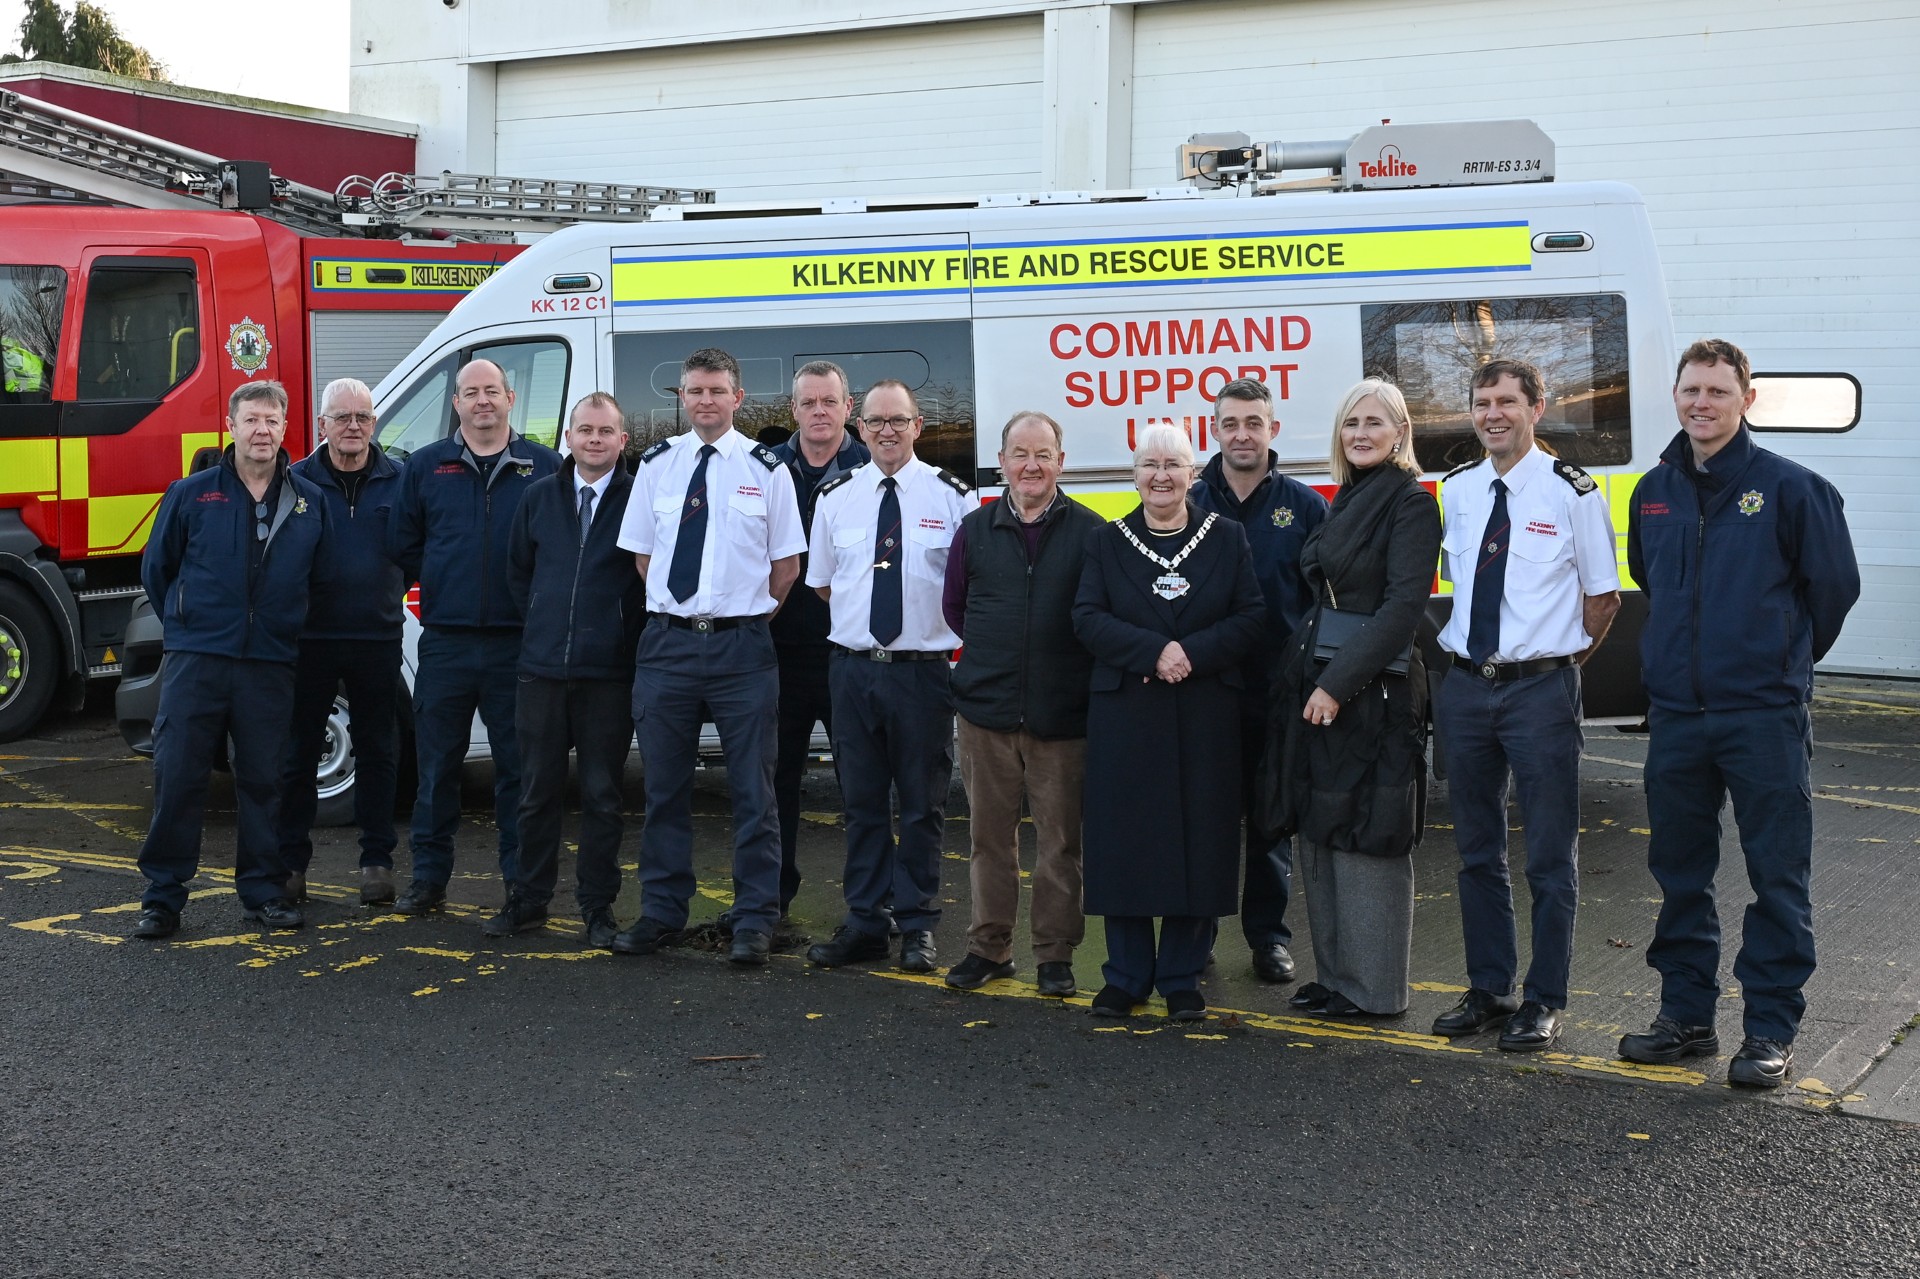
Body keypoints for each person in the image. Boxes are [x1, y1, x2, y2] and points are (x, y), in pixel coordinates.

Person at [1619, 338, 1860, 1088]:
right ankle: (1686, 1017)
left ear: (1746, 399)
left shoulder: (1793, 489)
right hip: (1679, 718)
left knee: (1776, 876)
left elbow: (1833, 592)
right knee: (1680, 874)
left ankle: (1768, 1032)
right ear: (1677, 395)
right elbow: (1650, 582)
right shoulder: (1653, 491)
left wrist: (1775, 663)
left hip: (1762, 717)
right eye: (1691, 389)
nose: (1702, 403)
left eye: (1718, 391)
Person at [1429, 359, 1621, 1051]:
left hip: (1539, 691)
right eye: (1482, 403)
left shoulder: (1573, 491)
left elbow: (1603, 600)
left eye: (1507, 401)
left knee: (1548, 854)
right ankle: (1488, 986)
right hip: (1466, 686)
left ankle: (1543, 998)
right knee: (1476, 851)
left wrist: (1557, 667)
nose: (1493, 415)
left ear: (1537, 408)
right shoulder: (1455, 490)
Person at [613, 349, 806, 966]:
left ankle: (755, 919)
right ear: (683, 396)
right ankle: (662, 912)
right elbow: (644, 558)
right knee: (664, 789)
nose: (705, 401)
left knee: (754, 790)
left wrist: (737, 617)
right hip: (667, 645)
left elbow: (786, 569)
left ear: (738, 398)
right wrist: (688, 613)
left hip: (743, 648)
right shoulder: (656, 466)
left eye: (717, 390)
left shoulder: (768, 468)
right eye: (695, 390)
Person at [1073, 423, 1265, 1019]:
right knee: (1125, 843)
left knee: (1199, 839)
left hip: (1205, 712)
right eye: (1149, 464)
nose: (1161, 475)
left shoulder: (1227, 538)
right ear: (1134, 476)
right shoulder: (1107, 542)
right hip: (1127, 713)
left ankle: (1182, 976)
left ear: (1193, 473)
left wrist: (1194, 653)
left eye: (1173, 464)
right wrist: (1153, 651)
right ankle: (1126, 976)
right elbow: (1086, 616)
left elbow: (1252, 615)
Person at [1263, 378, 1441, 1018]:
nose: (1360, 434)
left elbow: (1402, 609)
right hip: (1322, 682)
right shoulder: (1350, 497)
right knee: (1324, 823)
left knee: (1369, 832)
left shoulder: (1411, 503)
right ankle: (1338, 976)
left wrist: (1336, 687)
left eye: (1374, 423)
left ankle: (1376, 989)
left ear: (1401, 434)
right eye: (1350, 423)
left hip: (1373, 692)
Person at [130, 381, 327, 939]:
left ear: (285, 427)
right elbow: (157, 570)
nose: (262, 430)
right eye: (252, 420)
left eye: (272, 420)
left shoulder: (309, 502)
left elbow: (321, 580)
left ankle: (265, 893)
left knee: (266, 781)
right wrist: (189, 627)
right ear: (231, 427)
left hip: (268, 663)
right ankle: (162, 899)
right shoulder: (192, 494)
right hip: (199, 659)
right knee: (179, 776)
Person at [805, 379, 977, 972]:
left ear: (918, 427)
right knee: (862, 803)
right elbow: (826, 584)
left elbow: (966, 591)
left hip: (922, 676)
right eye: (875, 421)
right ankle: (864, 921)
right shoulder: (836, 497)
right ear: (860, 428)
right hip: (854, 672)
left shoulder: (953, 498)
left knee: (924, 805)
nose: (885, 430)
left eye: (897, 420)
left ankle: (918, 925)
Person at [387, 359, 562, 915]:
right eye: (470, 393)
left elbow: (556, 552)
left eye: (492, 391)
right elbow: (404, 545)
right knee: (436, 768)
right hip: (447, 642)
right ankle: (428, 881)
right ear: (456, 403)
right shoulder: (424, 467)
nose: (482, 401)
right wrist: (445, 584)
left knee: (519, 770)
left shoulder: (546, 467)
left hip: (519, 645)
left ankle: (520, 884)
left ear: (511, 397)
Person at [942, 410, 1104, 997]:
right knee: (989, 840)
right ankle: (989, 949)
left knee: (1061, 844)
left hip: (1062, 719)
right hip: (986, 714)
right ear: (1003, 461)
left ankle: (1055, 956)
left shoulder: (1092, 533)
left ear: (1061, 461)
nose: (1030, 465)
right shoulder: (975, 530)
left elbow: (1099, 619)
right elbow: (956, 610)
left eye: (1042, 454)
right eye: (1019, 453)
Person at [494, 392, 645, 947]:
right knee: (536, 793)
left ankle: (597, 907)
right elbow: (519, 576)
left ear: (622, 440)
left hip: (609, 675)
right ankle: (528, 900)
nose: (595, 440)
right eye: (585, 430)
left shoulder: (639, 499)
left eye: (606, 431)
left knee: (604, 797)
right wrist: (540, 626)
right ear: (569, 437)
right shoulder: (538, 498)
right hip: (541, 672)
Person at [1192, 376, 1329, 985]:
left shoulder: (1304, 507)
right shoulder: (1188, 500)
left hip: (1277, 693)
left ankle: (1269, 937)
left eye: (1254, 423)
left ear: (1273, 430)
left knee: (1271, 821)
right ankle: (1197, 935)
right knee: (1205, 820)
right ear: (1214, 431)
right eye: (1230, 424)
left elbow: (1326, 601)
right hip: (1203, 692)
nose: (1242, 434)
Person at [276, 378, 406, 908]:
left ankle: (377, 862)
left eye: (363, 417)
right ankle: (290, 864)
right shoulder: (296, 482)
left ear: (374, 424)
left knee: (380, 751)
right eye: (342, 417)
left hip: (377, 636)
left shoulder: (402, 479)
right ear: (322, 424)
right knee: (298, 753)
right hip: (310, 640)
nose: (354, 427)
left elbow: (417, 547)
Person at [763, 361, 869, 919]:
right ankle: (772, 901)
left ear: (848, 408)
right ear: (794, 410)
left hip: (849, 655)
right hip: (778, 654)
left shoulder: (873, 469)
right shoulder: (767, 469)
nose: (820, 412)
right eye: (809, 403)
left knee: (862, 786)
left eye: (830, 401)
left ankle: (871, 907)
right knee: (774, 784)